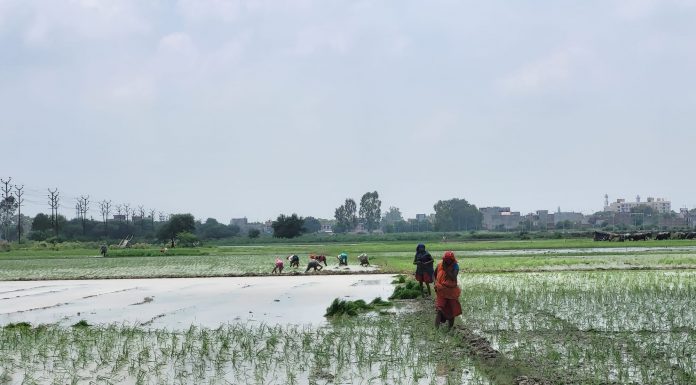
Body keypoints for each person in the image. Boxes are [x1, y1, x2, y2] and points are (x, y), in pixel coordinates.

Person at [434, 250, 462, 329]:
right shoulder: (440, 265)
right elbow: (434, 275)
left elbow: (453, 277)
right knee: (439, 310)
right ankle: (436, 330)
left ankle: (450, 329)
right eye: (446, 260)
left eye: (449, 260)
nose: (447, 261)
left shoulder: (455, 266)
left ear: (452, 259)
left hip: (451, 291)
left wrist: (446, 270)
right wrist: (435, 283)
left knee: (451, 311)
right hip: (441, 290)